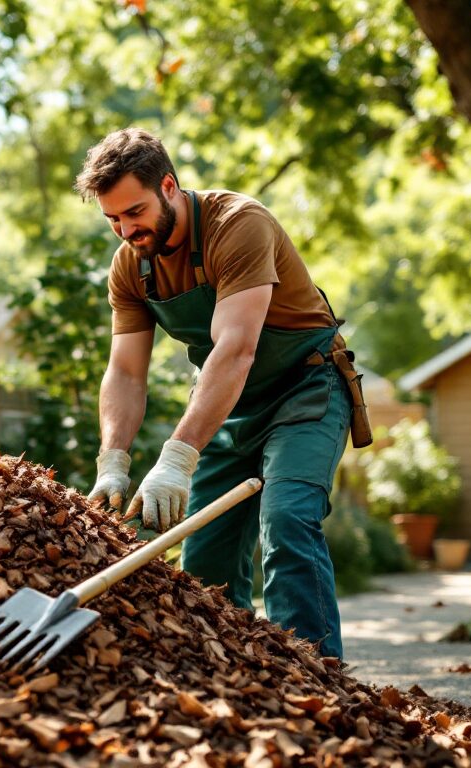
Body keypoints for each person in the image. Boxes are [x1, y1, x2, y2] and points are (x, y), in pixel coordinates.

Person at [76, 128, 370, 659]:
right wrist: (112, 460)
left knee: (286, 521)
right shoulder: (131, 268)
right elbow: (124, 372)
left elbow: (236, 349)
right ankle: (239, 683)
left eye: (134, 212)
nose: (125, 229)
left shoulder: (238, 224)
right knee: (205, 560)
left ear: (168, 186)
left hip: (305, 389)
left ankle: (319, 683)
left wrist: (177, 457)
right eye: (112, 219)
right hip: (229, 409)